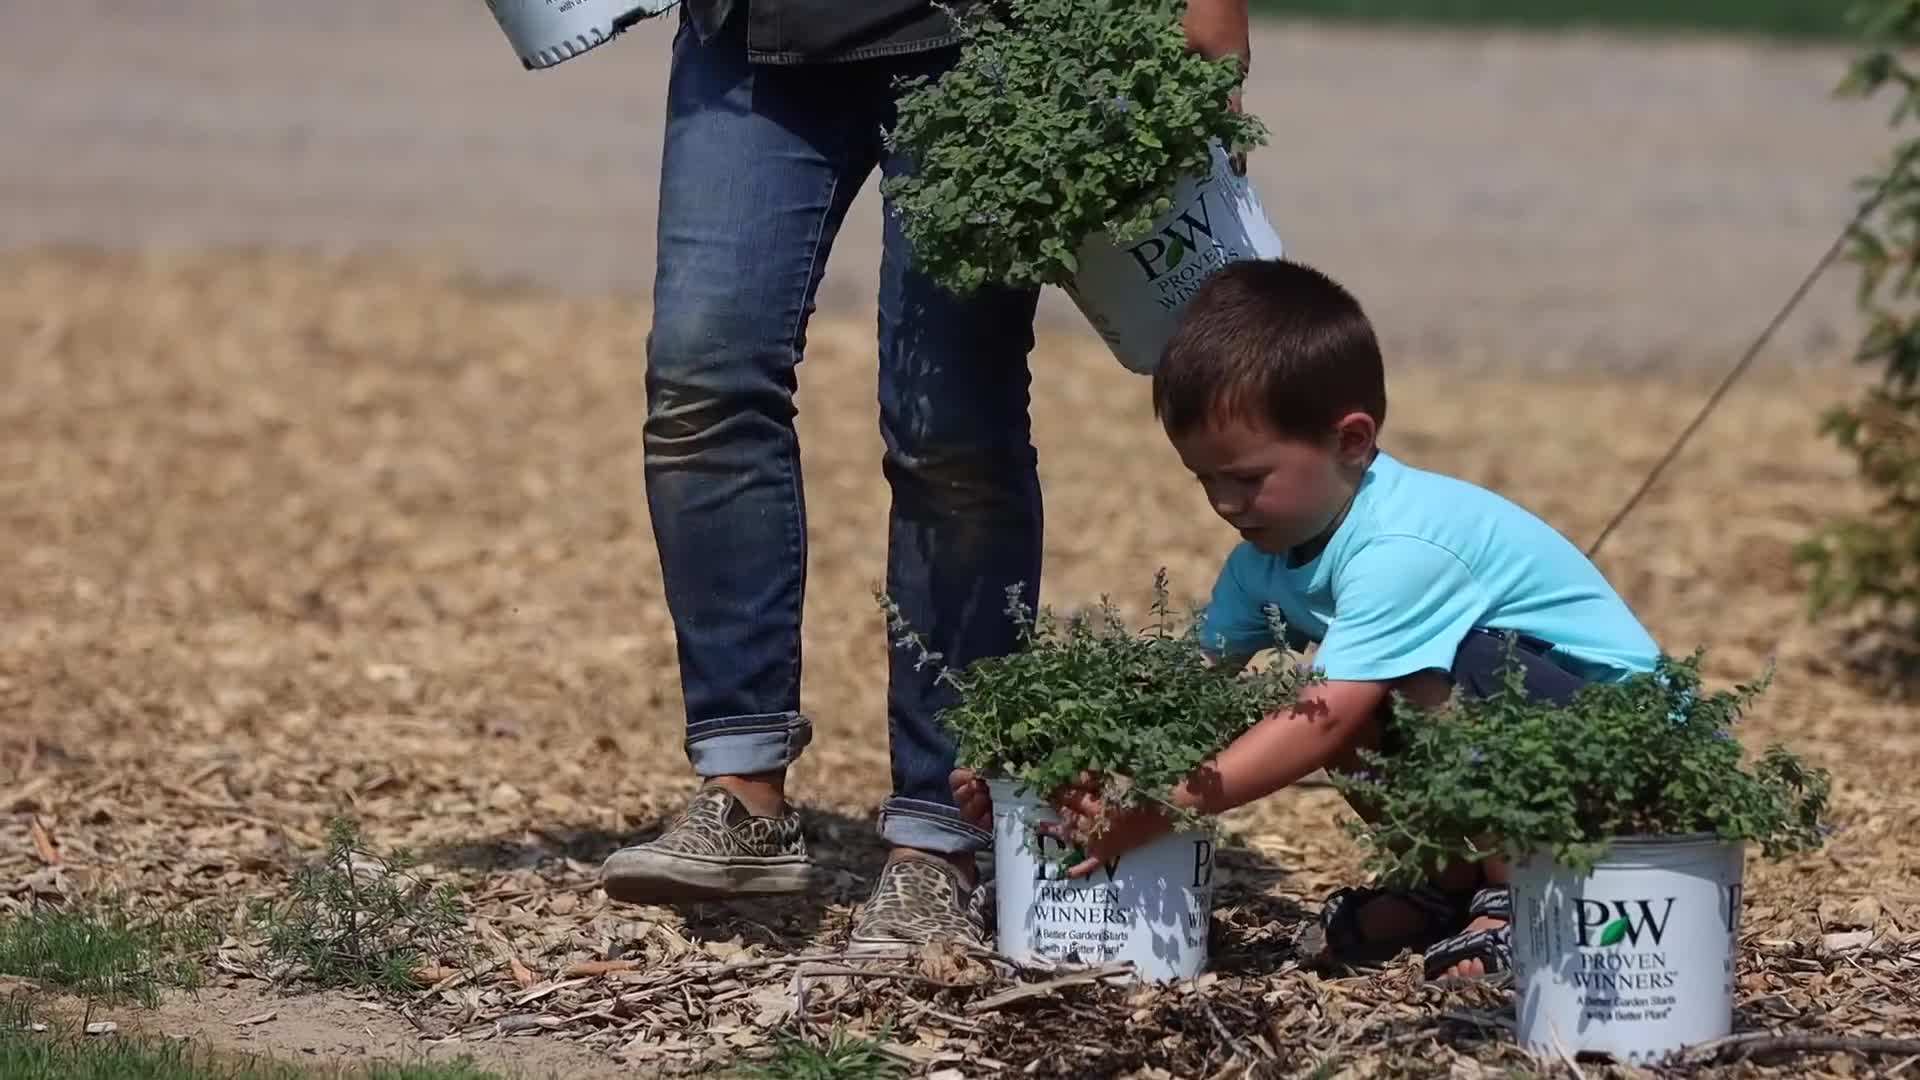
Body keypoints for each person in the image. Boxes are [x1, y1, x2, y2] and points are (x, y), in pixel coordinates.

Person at [598, 0, 1255, 955]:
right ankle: (741, 786)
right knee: (703, 373)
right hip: (752, 32)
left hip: (984, 35)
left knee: (950, 428)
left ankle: (938, 841)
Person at [951, 258, 1663, 979]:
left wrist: (1165, 804)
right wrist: (1035, 764)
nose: (1225, 504)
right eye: (1206, 480)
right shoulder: (1260, 561)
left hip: (1621, 751)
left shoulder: (1400, 549)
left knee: (1396, 682)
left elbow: (1321, 716)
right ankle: (1450, 886)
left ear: (1351, 441)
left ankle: (1528, 897)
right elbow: (1187, 696)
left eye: (1247, 478)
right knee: (1337, 694)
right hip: (1531, 749)